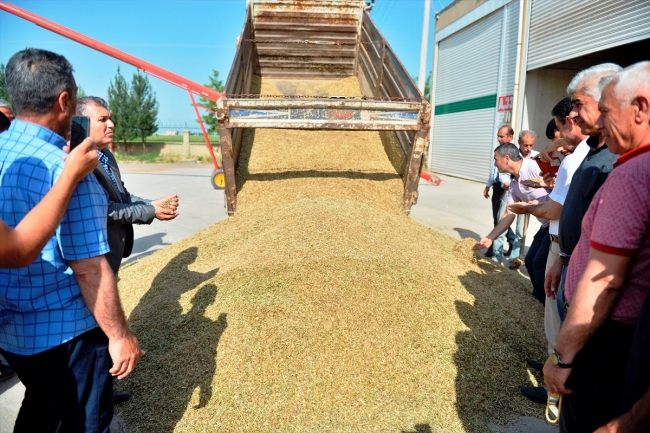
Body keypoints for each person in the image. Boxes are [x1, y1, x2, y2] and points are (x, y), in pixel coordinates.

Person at [0, 48, 143, 432]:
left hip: (12, 335)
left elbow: (15, 248)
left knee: (42, 405)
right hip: (67, 335)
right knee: (86, 421)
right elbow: (89, 269)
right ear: (65, 101)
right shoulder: (70, 170)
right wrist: (119, 336)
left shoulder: (3, 151)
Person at [543, 61, 649, 433]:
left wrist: (562, 356)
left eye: (606, 111)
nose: (599, 123)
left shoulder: (632, 175)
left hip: (603, 340)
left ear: (640, 108)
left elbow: (605, 281)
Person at [509, 101, 590, 405]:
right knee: (553, 317)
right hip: (564, 247)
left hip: (564, 246)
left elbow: (555, 207)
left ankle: (552, 392)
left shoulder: (576, 159)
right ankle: (549, 365)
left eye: (560, 129)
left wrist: (525, 207)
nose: (555, 140)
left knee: (557, 320)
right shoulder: (585, 155)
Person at [77, 96, 179, 275]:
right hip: (91, 259)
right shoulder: (81, 161)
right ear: (82, 123)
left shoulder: (106, 155)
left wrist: (151, 204)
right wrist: (151, 211)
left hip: (111, 255)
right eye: (102, 120)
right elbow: (107, 210)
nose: (111, 124)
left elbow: (121, 195)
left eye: (110, 118)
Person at [475, 142, 551, 298]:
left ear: (507, 158)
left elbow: (558, 185)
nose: (495, 163)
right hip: (545, 225)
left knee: (538, 263)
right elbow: (508, 214)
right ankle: (538, 298)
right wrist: (490, 238)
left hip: (557, 224)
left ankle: (541, 301)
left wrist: (538, 205)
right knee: (530, 261)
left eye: (496, 159)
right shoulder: (514, 184)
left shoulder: (533, 167)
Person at [507, 129, 540, 270]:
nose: (528, 149)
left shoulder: (537, 157)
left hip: (536, 200)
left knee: (530, 232)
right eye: (525, 145)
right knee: (520, 230)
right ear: (519, 142)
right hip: (518, 196)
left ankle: (522, 258)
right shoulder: (513, 156)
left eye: (531, 145)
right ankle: (515, 259)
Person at [483, 125, 515, 260]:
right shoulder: (499, 151)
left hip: (506, 189)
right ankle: (492, 248)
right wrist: (488, 185)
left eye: (501, 136)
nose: (499, 139)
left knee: (501, 219)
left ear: (510, 137)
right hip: (497, 187)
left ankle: (500, 252)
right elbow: (494, 170)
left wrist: (506, 191)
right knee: (497, 219)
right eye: (498, 136)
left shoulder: (512, 154)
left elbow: (508, 176)